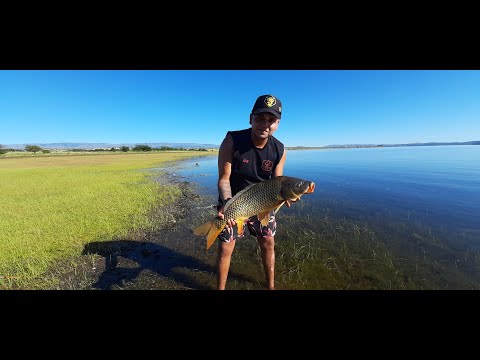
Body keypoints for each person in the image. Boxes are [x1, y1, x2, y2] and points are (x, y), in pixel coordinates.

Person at [215, 94, 296, 290]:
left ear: (278, 123)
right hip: (233, 202)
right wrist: (227, 203)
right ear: (251, 118)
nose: (265, 124)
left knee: (268, 242)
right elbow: (224, 179)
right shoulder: (232, 140)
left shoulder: (280, 149)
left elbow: (278, 183)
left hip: (263, 201)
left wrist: (286, 196)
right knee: (226, 248)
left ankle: (271, 286)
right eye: (260, 118)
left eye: (271, 120)